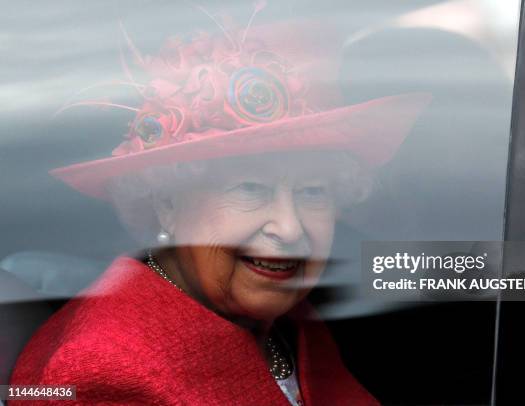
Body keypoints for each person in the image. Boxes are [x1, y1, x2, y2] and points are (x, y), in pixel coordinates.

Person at [9, 15, 429, 405]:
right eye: (251, 188)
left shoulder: (285, 320)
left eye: (313, 192)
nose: (288, 227)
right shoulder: (103, 367)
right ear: (168, 201)